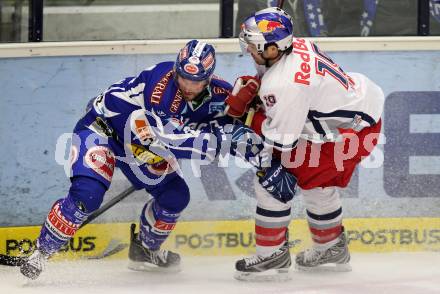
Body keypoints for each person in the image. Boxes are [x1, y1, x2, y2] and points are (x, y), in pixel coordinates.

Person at [20, 39, 295, 280]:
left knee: (176, 197)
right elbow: (175, 140)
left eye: (197, 80)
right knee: (87, 196)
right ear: (176, 70)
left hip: (141, 146)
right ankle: (40, 253)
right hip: (102, 130)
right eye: (183, 78)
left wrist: (249, 106)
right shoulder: (160, 89)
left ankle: (145, 250)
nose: (188, 86)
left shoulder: (218, 92)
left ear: (208, 78)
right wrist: (225, 138)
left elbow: (241, 121)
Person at [225, 7, 384, 280]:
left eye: (253, 45)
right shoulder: (298, 44)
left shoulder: (284, 85)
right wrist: (261, 93)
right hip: (359, 117)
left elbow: (281, 142)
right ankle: (331, 247)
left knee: (271, 178)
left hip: (350, 134)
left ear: (274, 49)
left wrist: (247, 117)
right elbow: (287, 92)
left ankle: (270, 254)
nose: (248, 49)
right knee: (317, 184)